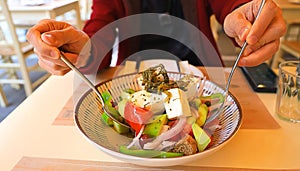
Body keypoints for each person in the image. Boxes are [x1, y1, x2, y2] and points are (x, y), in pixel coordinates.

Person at [26, 0, 286, 76]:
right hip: (132, 79)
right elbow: (98, 34)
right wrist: (81, 51)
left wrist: (245, 20)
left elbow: (231, 6)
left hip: (201, 73)